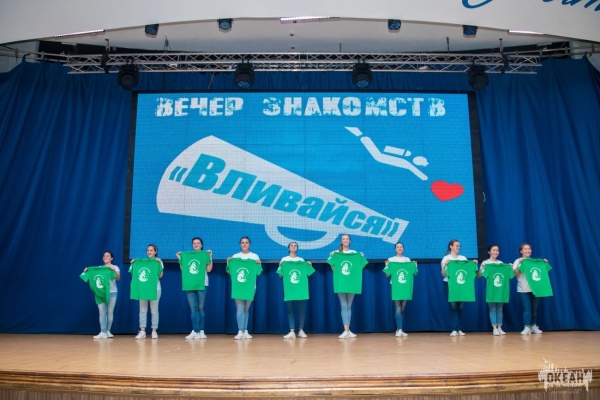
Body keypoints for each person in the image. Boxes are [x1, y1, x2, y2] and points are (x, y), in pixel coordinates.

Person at [326, 234, 368, 339]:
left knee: (349, 306)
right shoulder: (336, 253)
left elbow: (360, 267)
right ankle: (346, 331)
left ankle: (348, 330)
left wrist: (361, 257)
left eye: (347, 239)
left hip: (352, 283)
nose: (345, 240)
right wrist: (332, 256)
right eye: (343, 239)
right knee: (344, 305)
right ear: (341, 241)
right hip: (341, 282)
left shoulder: (354, 253)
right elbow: (333, 269)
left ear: (350, 241)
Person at [176, 237, 213, 340]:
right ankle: (195, 331)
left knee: (200, 308)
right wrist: (180, 258)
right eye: (194, 243)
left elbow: (209, 269)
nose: (196, 244)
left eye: (198, 243)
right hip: (190, 284)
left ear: (201, 245)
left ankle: (201, 331)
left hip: (202, 283)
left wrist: (210, 256)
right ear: (192, 245)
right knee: (193, 308)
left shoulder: (204, 255)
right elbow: (183, 269)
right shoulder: (187, 256)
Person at [277, 242, 315, 339]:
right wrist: (280, 265)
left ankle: (301, 330)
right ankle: (292, 331)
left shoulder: (301, 260)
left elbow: (308, 273)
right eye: (291, 246)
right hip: (289, 289)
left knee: (301, 310)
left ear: (297, 248)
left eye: (295, 246)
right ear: (288, 248)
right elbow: (280, 275)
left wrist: (309, 265)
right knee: (290, 310)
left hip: (300, 290)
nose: (293, 247)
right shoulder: (284, 260)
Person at [226, 236, 262, 340]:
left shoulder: (254, 256)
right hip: (238, 287)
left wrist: (259, 264)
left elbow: (258, 272)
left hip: (251, 287)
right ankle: (240, 331)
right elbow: (229, 272)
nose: (244, 244)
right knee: (240, 308)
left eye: (246, 242)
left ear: (249, 244)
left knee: (246, 309)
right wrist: (229, 262)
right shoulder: (235, 257)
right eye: (242, 242)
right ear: (240, 244)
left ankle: (245, 330)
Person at [513, 243, 553, 335]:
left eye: (529, 249)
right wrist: (520, 263)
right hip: (523, 289)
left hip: (535, 289)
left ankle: (533, 325)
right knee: (527, 309)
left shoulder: (535, 262)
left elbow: (545, 271)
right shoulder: (518, 261)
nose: (528, 250)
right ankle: (526, 327)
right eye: (525, 249)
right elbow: (515, 273)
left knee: (534, 309)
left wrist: (544, 263)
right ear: (521, 251)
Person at [441, 239, 477, 336]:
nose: (458, 247)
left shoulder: (463, 258)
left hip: (462, 286)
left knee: (460, 307)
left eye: (459, 246)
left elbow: (468, 270)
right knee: (453, 306)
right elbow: (443, 273)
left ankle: (458, 328)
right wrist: (445, 265)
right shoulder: (446, 258)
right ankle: (454, 329)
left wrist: (473, 263)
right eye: (457, 245)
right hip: (450, 284)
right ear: (451, 246)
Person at [80, 251, 120, 339]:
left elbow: (118, 278)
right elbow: (86, 276)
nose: (105, 257)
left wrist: (113, 270)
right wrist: (87, 271)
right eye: (104, 256)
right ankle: (103, 331)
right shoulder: (99, 269)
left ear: (111, 258)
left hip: (112, 292)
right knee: (102, 311)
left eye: (108, 256)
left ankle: (108, 331)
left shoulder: (115, 267)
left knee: (110, 312)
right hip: (101, 293)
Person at [477, 245, 513, 335]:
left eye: (497, 250)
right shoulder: (485, 263)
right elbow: (479, 276)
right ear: (489, 252)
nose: (496, 252)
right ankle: (494, 328)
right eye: (493, 250)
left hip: (501, 290)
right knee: (492, 308)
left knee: (500, 308)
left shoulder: (501, 263)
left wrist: (510, 267)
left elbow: (510, 275)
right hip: (491, 289)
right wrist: (482, 268)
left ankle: (500, 327)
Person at [383, 242, 417, 337]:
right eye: (397, 247)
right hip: (395, 286)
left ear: (403, 249)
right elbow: (387, 275)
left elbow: (413, 272)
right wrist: (387, 266)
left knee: (402, 308)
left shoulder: (407, 260)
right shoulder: (391, 260)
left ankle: (399, 329)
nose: (399, 248)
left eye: (401, 247)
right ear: (395, 249)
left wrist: (414, 265)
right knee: (397, 308)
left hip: (405, 287)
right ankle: (400, 329)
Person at [129, 244, 164, 339]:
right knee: (142, 310)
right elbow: (133, 273)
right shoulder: (140, 263)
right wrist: (133, 263)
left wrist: (160, 262)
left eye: (151, 250)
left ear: (155, 252)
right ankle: (142, 331)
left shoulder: (157, 262)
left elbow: (161, 275)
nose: (149, 252)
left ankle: (154, 331)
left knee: (154, 310)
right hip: (143, 289)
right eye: (148, 250)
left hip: (155, 289)